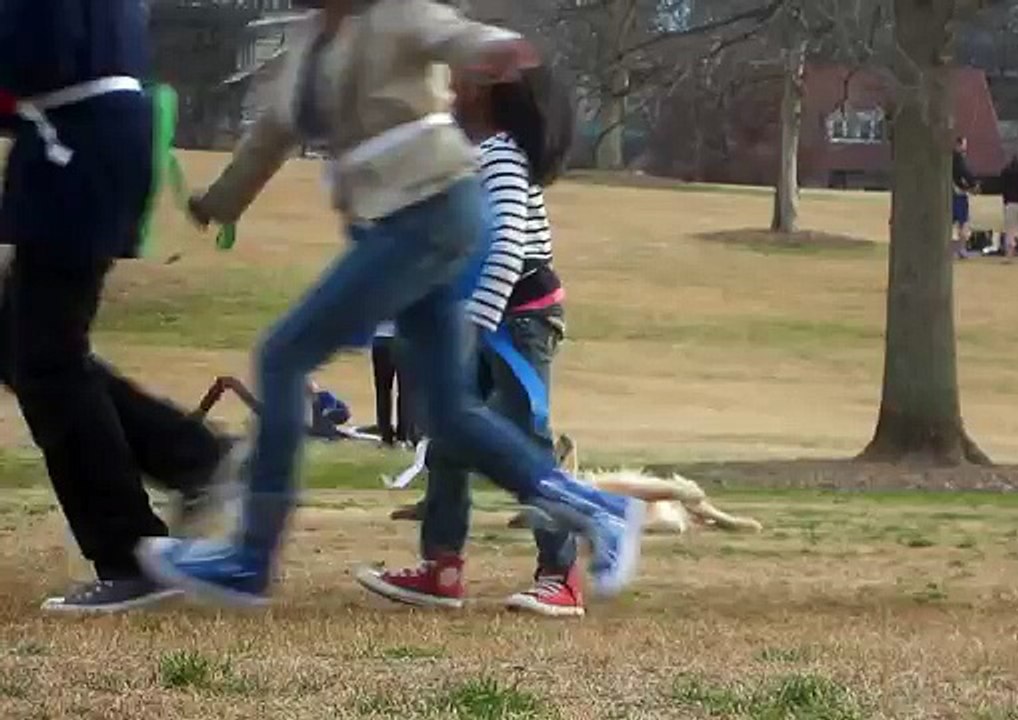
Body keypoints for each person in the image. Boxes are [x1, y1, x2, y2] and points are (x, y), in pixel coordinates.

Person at [135, 0, 645, 608]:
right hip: (400, 225)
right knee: (451, 413)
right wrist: (218, 202)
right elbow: (273, 132)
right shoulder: (307, 47)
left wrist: (494, 48)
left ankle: (249, 559)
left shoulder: (395, 14)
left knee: (282, 355)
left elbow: (450, 33)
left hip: (431, 216)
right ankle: (604, 512)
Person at [0, 0, 236, 613]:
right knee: (20, 339)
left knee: (47, 361)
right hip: (96, 136)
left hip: (75, 145)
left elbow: (33, 59)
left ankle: (132, 554)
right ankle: (192, 454)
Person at [355, 63, 585, 617]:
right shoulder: (473, 152)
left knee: (523, 442)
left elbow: (507, 249)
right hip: (488, 315)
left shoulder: (502, 155)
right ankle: (442, 567)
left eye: (455, 81)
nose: (447, 90)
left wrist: (473, 328)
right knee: (451, 438)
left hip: (520, 320)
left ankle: (562, 576)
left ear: (482, 94)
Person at [369, 321, 415, 446]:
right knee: (406, 392)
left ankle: (386, 436)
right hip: (404, 339)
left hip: (381, 340)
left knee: (382, 390)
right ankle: (403, 436)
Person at [951, 136, 979, 258]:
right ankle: (959, 249)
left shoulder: (949, 158)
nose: (965, 147)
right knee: (964, 224)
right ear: (958, 145)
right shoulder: (958, 159)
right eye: (964, 144)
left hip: (951, 195)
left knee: (952, 223)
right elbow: (964, 173)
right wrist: (973, 185)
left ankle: (954, 249)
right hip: (959, 195)